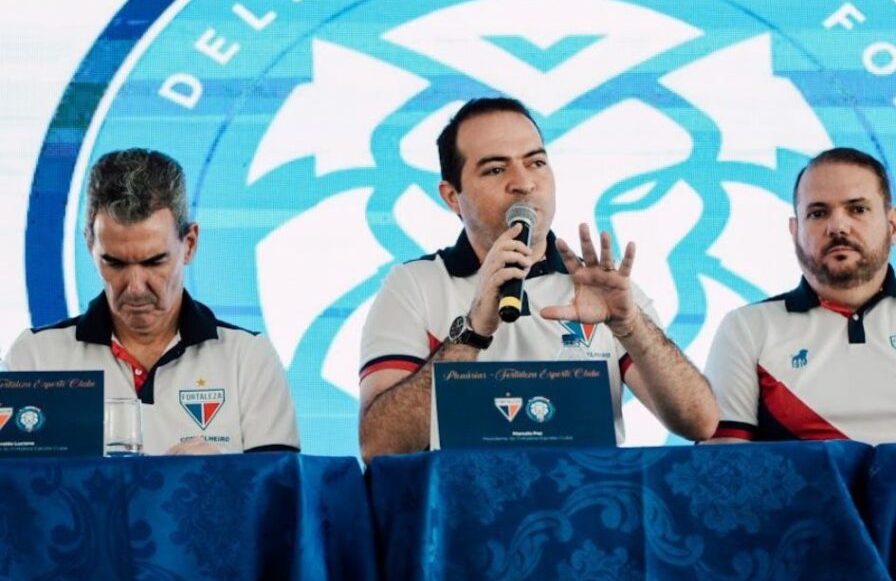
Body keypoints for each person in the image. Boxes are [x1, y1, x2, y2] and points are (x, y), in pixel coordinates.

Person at [358, 97, 718, 462]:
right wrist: (473, 331)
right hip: (462, 510)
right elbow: (379, 446)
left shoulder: (598, 286)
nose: (524, 183)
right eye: (496, 170)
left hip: (586, 506)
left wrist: (630, 325)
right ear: (452, 196)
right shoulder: (415, 285)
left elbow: (700, 423)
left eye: (537, 163)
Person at [5, 149, 299, 455]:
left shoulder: (248, 360)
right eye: (114, 263)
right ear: (90, 246)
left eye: (154, 262)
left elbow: (280, 499)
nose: (134, 288)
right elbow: (13, 496)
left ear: (190, 244)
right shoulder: (35, 359)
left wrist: (219, 478)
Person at [704, 147, 896, 444]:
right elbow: (724, 464)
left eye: (857, 209)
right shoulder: (746, 327)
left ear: (893, 224)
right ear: (795, 231)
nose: (838, 227)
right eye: (818, 213)